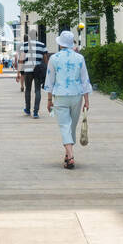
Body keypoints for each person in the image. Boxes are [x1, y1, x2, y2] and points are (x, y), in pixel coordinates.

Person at [46, 30, 92, 170]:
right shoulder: (79, 58)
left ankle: (70, 155)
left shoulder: (54, 58)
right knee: (71, 126)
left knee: (65, 126)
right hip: (76, 95)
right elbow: (85, 80)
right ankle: (68, 155)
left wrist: (49, 100)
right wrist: (87, 100)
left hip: (60, 96)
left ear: (60, 44)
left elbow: (50, 80)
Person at [16, 29, 48, 118]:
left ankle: (27, 109)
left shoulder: (24, 45)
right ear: (37, 36)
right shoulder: (42, 45)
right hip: (38, 70)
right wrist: (47, 71)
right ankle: (36, 112)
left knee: (28, 90)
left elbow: (21, 60)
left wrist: (18, 73)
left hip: (27, 70)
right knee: (37, 90)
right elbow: (46, 60)